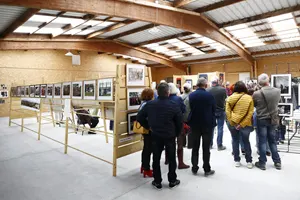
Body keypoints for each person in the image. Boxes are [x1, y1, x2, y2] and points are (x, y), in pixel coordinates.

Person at [137, 82, 182, 190]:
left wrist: (148, 127)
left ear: (158, 92)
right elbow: (179, 122)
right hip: (169, 135)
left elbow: (139, 117)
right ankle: (172, 180)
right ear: (168, 92)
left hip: (155, 134)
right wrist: (176, 133)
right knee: (171, 158)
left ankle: (157, 181)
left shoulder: (150, 104)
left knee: (156, 158)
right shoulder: (173, 105)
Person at [253, 73, 282, 170]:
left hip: (261, 119)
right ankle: (277, 162)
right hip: (273, 118)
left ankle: (262, 162)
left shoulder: (256, 93)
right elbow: (278, 103)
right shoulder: (277, 91)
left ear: (259, 82)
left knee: (262, 142)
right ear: (268, 80)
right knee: (272, 141)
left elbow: (254, 105)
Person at [188, 78, 215, 176]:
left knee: (195, 146)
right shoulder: (209, 95)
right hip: (207, 123)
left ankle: (194, 167)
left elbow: (191, 108)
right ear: (205, 85)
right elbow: (213, 109)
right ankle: (206, 168)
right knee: (206, 147)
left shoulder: (191, 95)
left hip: (195, 123)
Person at [226, 81, 254, 168]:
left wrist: (232, 122)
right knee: (246, 141)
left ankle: (237, 160)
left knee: (235, 141)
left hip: (233, 123)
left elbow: (227, 112)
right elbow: (250, 113)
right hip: (246, 124)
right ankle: (249, 161)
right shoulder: (249, 98)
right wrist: (242, 124)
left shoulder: (229, 98)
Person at [168, 83, 189, 169]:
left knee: (169, 143)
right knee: (180, 143)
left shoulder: (164, 99)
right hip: (178, 123)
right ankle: (180, 163)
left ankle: (167, 160)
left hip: (168, 124)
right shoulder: (178, 99)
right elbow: (184, 109)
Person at [207, 77, 227, 150]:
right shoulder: (223, 89)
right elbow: (225, 99)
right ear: (217, 81)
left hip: (210, 111)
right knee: (220, 128)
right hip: (220, 110)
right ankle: (219, 145)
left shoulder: (207, 90)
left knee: (211, 128)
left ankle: (210, 145)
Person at [139, 88, 154, 178]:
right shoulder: (147, 105)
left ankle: (144, 166)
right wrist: (148, 127)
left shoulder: (143, 103)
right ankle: (146, 169)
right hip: (148, 130)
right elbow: (141, 117)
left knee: (146, 149)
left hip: (146, 130)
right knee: (148, 149)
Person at [182, 83, 193, 149]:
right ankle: (190, 145)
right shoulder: (192, 96)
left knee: (183, 130)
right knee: (190, 131)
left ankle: (183, 143)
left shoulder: (181, 97)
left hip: (183, 116)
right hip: (190, 116)